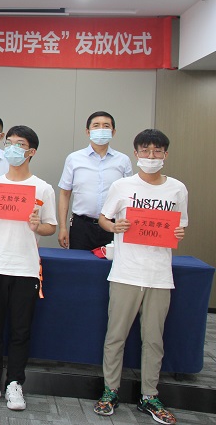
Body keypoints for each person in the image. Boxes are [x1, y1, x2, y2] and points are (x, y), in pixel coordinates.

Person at [94, 129, 188, 425]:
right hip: (126, 272)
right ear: (136, 154)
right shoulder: (122, 186)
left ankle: (149, 395)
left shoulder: (177, 189)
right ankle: (110, 391)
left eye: (157, 151)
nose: (151, 156)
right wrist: (114, 227)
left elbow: (180, 225)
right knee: (116, 336)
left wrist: (179, 232)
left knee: (154, 340)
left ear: (165, 154)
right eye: (145, 150)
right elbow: (103, 218)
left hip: (160, 275)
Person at [0, 125, 57, 412]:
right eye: (9, 143)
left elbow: (50, 227)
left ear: (31, 152)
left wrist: (37, 226)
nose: (12, 149)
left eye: (19, 144)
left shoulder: (42, 187)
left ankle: (15, 383)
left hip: (26, 268)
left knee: (21, 331)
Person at [57, 111, 132, 250]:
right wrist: (62, 227)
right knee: (79, 262)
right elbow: (64, 194)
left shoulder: (123, 160)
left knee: (111, 263)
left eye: (106, 126)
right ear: (88, 131)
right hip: (82, 226)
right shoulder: (74, 159)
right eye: (96, 126)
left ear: (113, 132)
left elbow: (129, 196)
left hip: (112, 225)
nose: (101, 129)